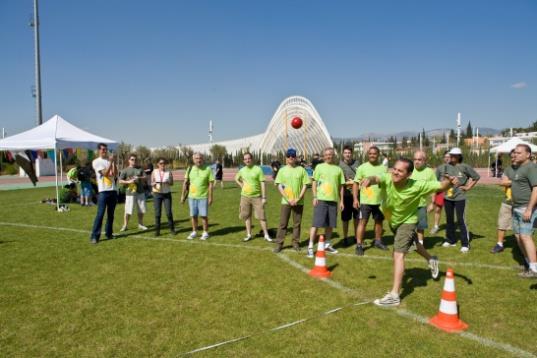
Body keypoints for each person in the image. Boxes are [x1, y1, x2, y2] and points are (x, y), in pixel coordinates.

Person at [360, 158, 458, 306]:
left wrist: (449, 182)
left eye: (400, 171)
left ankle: (394, 295)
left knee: (398, 254)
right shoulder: (387, 178)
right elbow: (375, 178)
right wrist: (368, 179)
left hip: (408, 222)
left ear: (409, 174)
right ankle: (432, 260)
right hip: (393, 221)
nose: (396, 172)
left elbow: (440, 186)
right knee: (414, 244)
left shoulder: (417, 186)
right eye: (395, 169)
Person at [307, 147, 345, 258]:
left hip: (333, 201)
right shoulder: (319, 167)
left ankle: (327, 245)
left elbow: (341, 186)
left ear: (334, 155)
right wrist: (314, 196)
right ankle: (310, 247)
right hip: (321, 200)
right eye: (327, 154)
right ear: (324, 156)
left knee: (330, 224)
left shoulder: (338, 169)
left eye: (331, 154)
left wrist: (341, 200)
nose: (329, 156)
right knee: (316, 224)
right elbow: (314, 182)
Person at [440, 147, 480, 253]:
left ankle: (465, 244)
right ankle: (450, 240)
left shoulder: (465, 167)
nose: (451, 157)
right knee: (449, 220)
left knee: (461, 220)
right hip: (448, 197)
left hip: (460, 198)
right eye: (450, 155)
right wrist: (448, 179)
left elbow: (476, 177)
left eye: (453, 155)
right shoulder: (446, 167)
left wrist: (468, 187)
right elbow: (442, 180)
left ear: (459, 156)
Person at [273, 148, 310, 253]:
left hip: (299, 202)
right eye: (289, 156)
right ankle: (279, 244)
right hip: (286, 202)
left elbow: (305, 185)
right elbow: (279, 185)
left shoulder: (301, 170)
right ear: (286, 158)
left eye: (293, 156)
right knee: (283, 224)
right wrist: (288, 199)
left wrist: (298, 198)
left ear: (296, 157)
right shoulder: (282, 170)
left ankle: (295, 243)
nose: (291, 158)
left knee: (297, 224)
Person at [353, 146, 388, 256]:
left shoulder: (383, 168)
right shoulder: (362, 168)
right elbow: (355, 183)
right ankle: (359, 245)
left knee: (379, 222)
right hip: (365, 201)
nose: (372, 155)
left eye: (374, 153)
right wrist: (355, 198)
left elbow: (386, 183)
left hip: (380, 201)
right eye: (370, 154)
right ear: (368, 155)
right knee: (362, 222)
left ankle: (377, 241)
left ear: (378, 154)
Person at [510, 144, 537, 278]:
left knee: (525, 237)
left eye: (519, 153)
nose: (516, 154)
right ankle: (529, 264)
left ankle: (534, 269)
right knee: (518, 236)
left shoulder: (531, 167)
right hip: (516, 207)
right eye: (515, 152)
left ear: (528, 154)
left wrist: (529, 209)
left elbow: (536, 189)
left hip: (526, 208)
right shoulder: (520, 167)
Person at [235, 152, 273, 242]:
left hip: (257, 197)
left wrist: (264, 197)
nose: (247, 160)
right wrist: (241, 185)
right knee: (247, 216)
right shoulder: (242, 170)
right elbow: (236, 178)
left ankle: (266, 235)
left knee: (262, 216)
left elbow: (262, 183)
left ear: (252, 159)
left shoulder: (258, 169)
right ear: (243, 161)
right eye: (245, 159)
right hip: (245, 197)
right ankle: (248, 234)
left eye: (249, 158)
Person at [181, 153, 214, 240]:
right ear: (193, 160)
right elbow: (185, 183)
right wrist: (182, 196)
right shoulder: (189, 169)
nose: (198, 160)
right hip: (191, 197)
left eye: (200, 158)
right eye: (196, 158)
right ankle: (194, 231)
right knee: (193, 215)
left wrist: (210, 197)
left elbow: (211, 184)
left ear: (202, 159)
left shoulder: (208, 169)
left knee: (203, 216)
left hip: (203, 197)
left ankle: (205, 232)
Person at [90, 143, 118, 244]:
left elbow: (115, 174)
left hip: (113, 190)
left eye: (105, 149)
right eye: (102, 149)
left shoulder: (109, 161)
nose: (104, 151)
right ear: (98, 150)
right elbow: (105, 173)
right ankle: (94, 236)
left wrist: (113, 162)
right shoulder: (96, 162)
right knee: (100, 214)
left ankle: (109, 234)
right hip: (103, 192)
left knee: (111, 215)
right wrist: (110, 162)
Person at [491, 149, 516, 253]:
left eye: (515, 156)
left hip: (522, 203)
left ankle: (522, 246)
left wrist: (510, 181)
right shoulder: (508, 169)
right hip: (507, 201)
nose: (513, 158)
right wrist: (517, 181)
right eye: (512, 156)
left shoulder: (528, 169)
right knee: (502, 223)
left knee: (521, 226)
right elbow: (503, 182)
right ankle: (500, 244)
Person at [410, 151, 437, 246]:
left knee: (420, 227)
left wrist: (433, 203)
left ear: (424, 161)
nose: (416, 162)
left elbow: (434, 188)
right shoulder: (409, 170)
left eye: (419, 159)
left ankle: (420, 245)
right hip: (408, 205)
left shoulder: (430, 172)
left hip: (421, 205)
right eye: (415, 159)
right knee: (409, 226)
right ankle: (411, 243)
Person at [118, 154, 147, 232]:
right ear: (129, 160)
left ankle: (140, 224)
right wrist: (128, 181)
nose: (134, 161)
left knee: (141, 209)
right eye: (132, 159)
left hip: (140, 192)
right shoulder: (125, 170)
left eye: (135, 159)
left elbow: (145, 177)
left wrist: (139, 177)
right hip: (130, 193)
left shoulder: (140, 169)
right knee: (128, 210)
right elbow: (120, 181)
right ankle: (125, 225)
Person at [339, 145, 360, 246]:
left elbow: (361, 177)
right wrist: (341, 200)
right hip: (346, 196)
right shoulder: (340, 166)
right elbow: (340, 183)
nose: (347, 155)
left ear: (352, 154)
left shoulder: (357, 163)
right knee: (345, 219)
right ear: (343, 154)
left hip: (357, 195)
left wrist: (355, 182)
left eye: (349, 153)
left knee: (357, 217)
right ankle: (345, 238)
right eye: (346, 153)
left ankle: (356, 237)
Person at [151, 158, 175, 236]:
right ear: (158, 164)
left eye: (164, 163)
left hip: (166, 194)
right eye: (161, 163)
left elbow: (172, 183)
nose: (162, 165)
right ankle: (157, 231)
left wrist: (168, 182)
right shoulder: (154, 171)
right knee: (157, 213)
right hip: (157, 194)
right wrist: (153, 184)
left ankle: (172, 229)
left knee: (168, 213)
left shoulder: (168, 172)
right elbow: (151, 182)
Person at [430, 151, 451, 234]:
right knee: (438, 209)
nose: (447, 158)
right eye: (446, 156)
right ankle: (436, 226)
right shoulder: (440, 168)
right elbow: (435, 181)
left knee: (449, 210)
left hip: (451, 191)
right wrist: (434, 194)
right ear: (443, 158)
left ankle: (450, 226)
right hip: (441, 191)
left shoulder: (455, 167)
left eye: (449, 156)